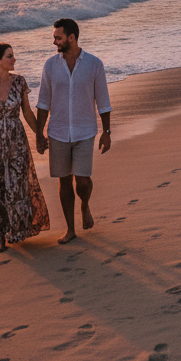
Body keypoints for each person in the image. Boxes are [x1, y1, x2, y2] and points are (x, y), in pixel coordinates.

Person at [35, 18, 112, 245]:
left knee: (83, 180)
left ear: (71, 37)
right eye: (54, 37)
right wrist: (39, 134)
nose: (54, 41)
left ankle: (85, 205)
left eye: (58, 37)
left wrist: (106, 132)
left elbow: (104, 101)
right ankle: (70, 229)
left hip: (85, 130)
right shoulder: (50, 66)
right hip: (57, 132)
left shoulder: (94, 64)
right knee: (64, 181)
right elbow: (43, 103)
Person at [0, 43, 50, 252]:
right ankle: (1, 236)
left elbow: (28, 114)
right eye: (9, 56)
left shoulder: (19, 83)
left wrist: (39, 136)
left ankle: (18, 230)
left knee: (16, 187)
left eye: (13, 56)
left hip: (16, 141)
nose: (14, 60)